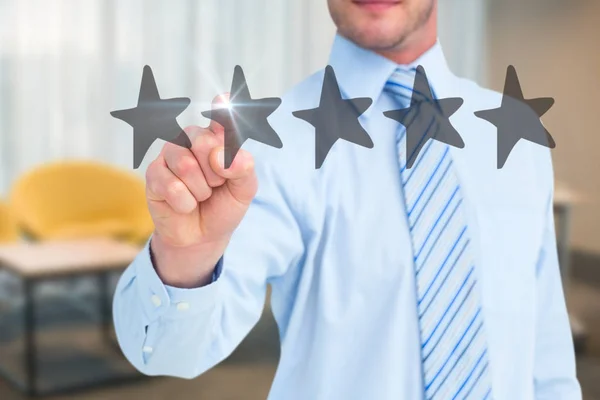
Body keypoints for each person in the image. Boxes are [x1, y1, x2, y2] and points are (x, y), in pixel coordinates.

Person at [112, 0, 581, 398]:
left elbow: (547, 354)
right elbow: (171, 350)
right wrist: (185, 256)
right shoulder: (265, 147)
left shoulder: (517, 135)